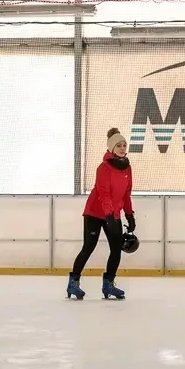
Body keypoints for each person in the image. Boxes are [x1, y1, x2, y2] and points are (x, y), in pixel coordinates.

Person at [67, 127, 135, 300]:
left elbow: (126, 194)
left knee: (116, 250)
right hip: (95, 212)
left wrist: (129, 215)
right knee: (89, 246)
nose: (122, 148)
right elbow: (104, 194)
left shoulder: (127, 168)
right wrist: (109, 215)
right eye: (118, 145)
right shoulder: (103, 168)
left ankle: (108, 284)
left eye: (124, 145)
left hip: (114, 214)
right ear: (111, 148)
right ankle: (73, 283)